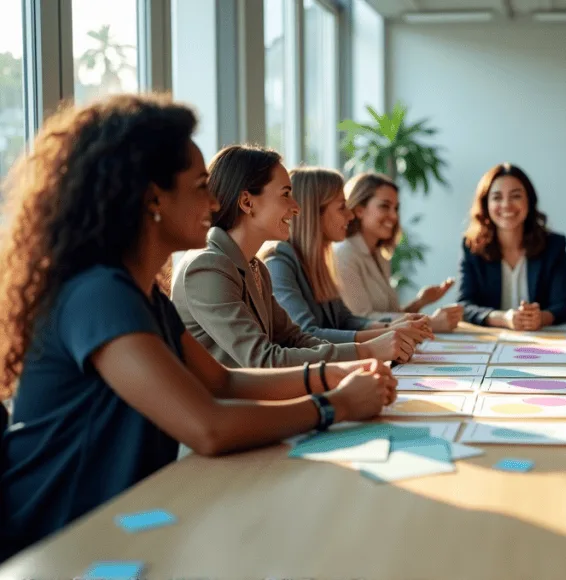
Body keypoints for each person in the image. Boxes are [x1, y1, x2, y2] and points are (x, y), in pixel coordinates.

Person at [0, 95, 395, 561]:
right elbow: (207, 425)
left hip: (115, 522)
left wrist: (329, 377)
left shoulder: (145, 295)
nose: (213, 201)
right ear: (152, 199)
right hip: (53, 542)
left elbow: (223, 380)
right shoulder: (97, 295)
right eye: (200, 186)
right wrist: (334, 405)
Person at [172, 146, 420, 366]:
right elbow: (264, 359)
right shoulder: (207, 266)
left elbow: (295, 338)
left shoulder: (255, 266)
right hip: (232, 412)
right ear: (247, 202)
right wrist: (366, 350)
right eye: (286, 194)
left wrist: (377, 342)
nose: (296, 207)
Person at [259, 167, 435, 360]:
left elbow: (345, 319)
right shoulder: (279, 261)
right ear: (315, 212)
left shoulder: (319, 261)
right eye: (342, 207)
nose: (350, 216)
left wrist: (392, 327)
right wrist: (386, 334)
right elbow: (307, 334)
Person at [333, 172, 461, 331]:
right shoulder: (344, 254)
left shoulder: (379, 255)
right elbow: (360, 319)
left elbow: (389, 315)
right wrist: (430, 322)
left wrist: (420, 302)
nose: (394, 216)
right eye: (385, 206)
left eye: (396, 208)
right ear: (359, 210)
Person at [457, 163, 566, 330]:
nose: (506, 205)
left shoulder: (553, 245)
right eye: (497, 197)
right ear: (486, 204)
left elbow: (563, 305)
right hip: (490, 342)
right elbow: (464, 306)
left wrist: (540, 318)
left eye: (516, 196)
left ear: (529, 201)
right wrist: (503, 318)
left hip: (543, 341)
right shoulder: (472, 247)